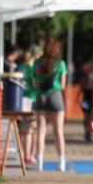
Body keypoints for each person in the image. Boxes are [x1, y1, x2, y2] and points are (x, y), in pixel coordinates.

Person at [34, 36, 68, 171]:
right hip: (55, 95)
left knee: (41, 131)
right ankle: (61, 162)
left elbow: (35, 81)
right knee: (58, 131)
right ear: (57, 49)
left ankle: (39, 162)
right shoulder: (61, 64)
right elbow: (63, 85)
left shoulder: (37, 63)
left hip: (40, 96)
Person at [19, 45, 42, 165]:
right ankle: (26, 155)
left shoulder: (30, 67)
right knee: (28, 128)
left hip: (29, 98)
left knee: (31, 128)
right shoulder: (31, 68)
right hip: (28, 98)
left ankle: (28, 154)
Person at [79, 63, 93, 143]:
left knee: (90, 117)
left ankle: (89, 133)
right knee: (86, 117)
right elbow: (81, 89)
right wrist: (78, 98)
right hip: (85, 100)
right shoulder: (84, 78)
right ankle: (87, 132)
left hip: (91, 100)